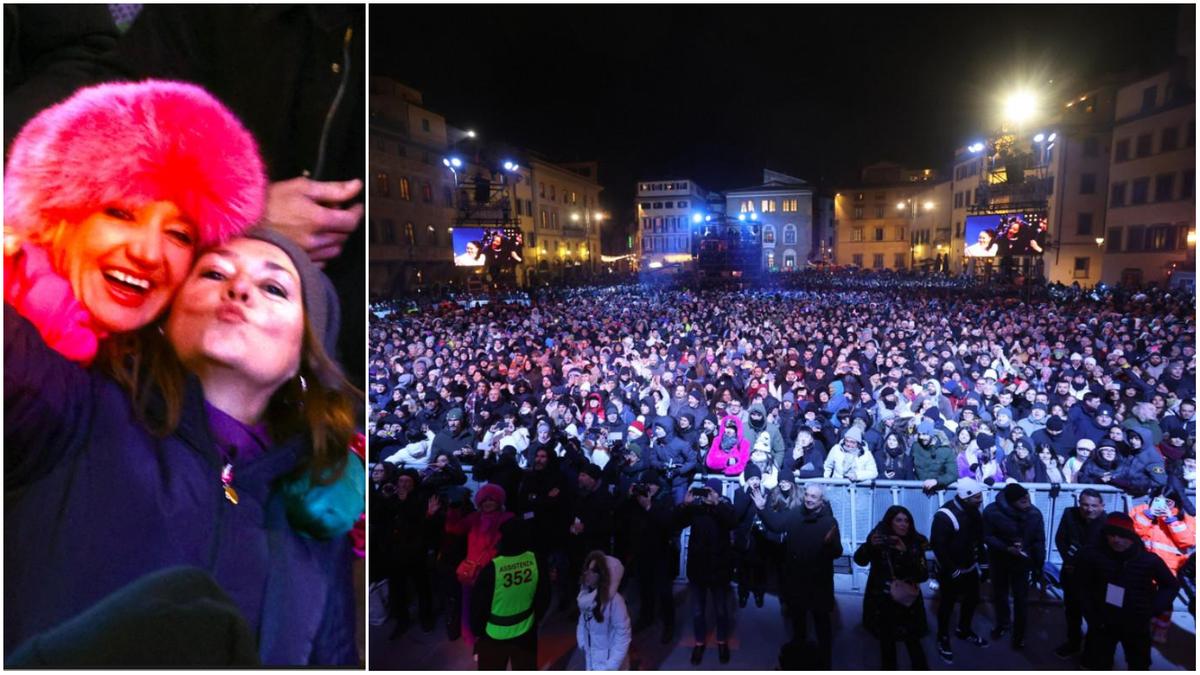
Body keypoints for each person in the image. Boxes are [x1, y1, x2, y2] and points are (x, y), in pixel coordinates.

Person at [6, 230, 363, 665]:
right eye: (213, 272)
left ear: (305, 354)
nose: (238, 288)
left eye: (274, 288)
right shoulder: (74, 408)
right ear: (167, 314)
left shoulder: (315, 526)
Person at [4, 79, 264, 363]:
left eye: (179, 235)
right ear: (55, 219)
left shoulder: (152, 384)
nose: (148, 254)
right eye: (121, 214)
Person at [751, 483, 843, 669]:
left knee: (821, 624)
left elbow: (837, 552)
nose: (808, 499)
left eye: (813, 497)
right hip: (796, 580)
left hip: (818, 583)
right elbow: (776, 525)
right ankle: (798, 662)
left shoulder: (829, 522)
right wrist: (762, 508)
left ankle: (825, 663)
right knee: (798, 623)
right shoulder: (795, 513)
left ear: (822, 501)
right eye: (807, 495)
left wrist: (830, 545)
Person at [1078, 513, 1179, 670]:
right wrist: (1091, 613)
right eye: (1111, 535)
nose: (1116, 540)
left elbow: (1170, 586)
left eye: (1122, 535)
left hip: (1135, 623)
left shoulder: (1149, 560)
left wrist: (1151, 610)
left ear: (1131, 536)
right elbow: (1083, 585)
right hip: (1103, 622)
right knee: (1098, 663)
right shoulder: (1095, 557)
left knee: (1138, 664)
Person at [853, 505, 930, 670]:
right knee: (887, 645)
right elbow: (859, 560)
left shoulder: (916, 542)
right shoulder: (879, 538)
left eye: (907, 521)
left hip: (908, 601)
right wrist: (869, 546)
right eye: (899, 520)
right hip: (883, 601)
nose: (904, 525)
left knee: (913, 643)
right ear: (890, 522)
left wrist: (905, 552)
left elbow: (923, 575)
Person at [469, 519, 550, 670]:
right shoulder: (536, 561)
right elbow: (544, 595)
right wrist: (535, 618)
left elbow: (478, 607)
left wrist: (478, 633)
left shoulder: (492, 569)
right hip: (526, 631)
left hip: (493, 636)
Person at [674, 479, 736, 665]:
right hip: (698, 567)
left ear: (716, 493)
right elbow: (676, 523)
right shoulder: (696, 508)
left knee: (721, 610)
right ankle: (699, 642)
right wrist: (685, 505)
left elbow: (733, 522)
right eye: (705, 492)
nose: (706, 496)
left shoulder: (724, 506)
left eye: (710, 492)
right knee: (697, 611)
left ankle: (722, 642)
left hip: (718, 568)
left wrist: (716, 503)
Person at [929, 477, 990, 663]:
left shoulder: (974, 512)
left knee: (972, 600)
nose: (981, 500)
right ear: (965, 497)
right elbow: (938, 547)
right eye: (977, 497)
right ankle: (942, 638)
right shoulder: (945, 516)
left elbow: (979, 540)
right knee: (947, 605)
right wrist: (952, 570)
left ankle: (964, 630)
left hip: (969, 566)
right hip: (951, 569)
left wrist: (984, 564)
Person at [982, 483, 1045, 649]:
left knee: (1021, 599)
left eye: (1027, 498)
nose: (1027, 503)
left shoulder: (1034, 514)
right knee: (1000, 594)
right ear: (1010, 502)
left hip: (1022, 562)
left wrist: (1039, 565)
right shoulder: (992, 511)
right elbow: (987, 536)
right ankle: (1003, 624)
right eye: (1022, 500)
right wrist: (1006, 548)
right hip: (999, 560)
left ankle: (1019, 634)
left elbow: (1039, 541)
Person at [619, 469, 678, 644]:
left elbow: (667, 524)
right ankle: (646, 617)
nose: (647, 488)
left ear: (657, 486)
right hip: (641, 551)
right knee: (644, 589)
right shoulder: (636, 500)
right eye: (644, 485)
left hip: (661, 553)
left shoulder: (665, 498)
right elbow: (621, 516)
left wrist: (648, 507)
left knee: (664, 592)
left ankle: (669, 625)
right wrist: (629, 498)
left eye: (650, 485)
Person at [1053, 488, 1107, 659]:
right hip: (1072, 574)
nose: (1088, 509)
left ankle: (1093, 650)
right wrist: (1069, 561)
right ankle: (1073, 642)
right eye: (1084, 505)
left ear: (1101, 506)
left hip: (1095, 579)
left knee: (1095, 616)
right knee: (1072, 612)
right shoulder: (1070, 514)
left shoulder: (1108, 523)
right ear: (1079, 504)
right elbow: (1060, 539)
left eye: (1093, 505)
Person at [575, 551, 632, 671]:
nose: (587, 573)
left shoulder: (615, 601)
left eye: (593, 571)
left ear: (604, 575)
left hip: (610, 665)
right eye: (587, 569)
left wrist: (611, 666)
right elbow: (582, 622)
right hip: (592, 661)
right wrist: (583, 642)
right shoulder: (586, 598)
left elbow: (623, 635)